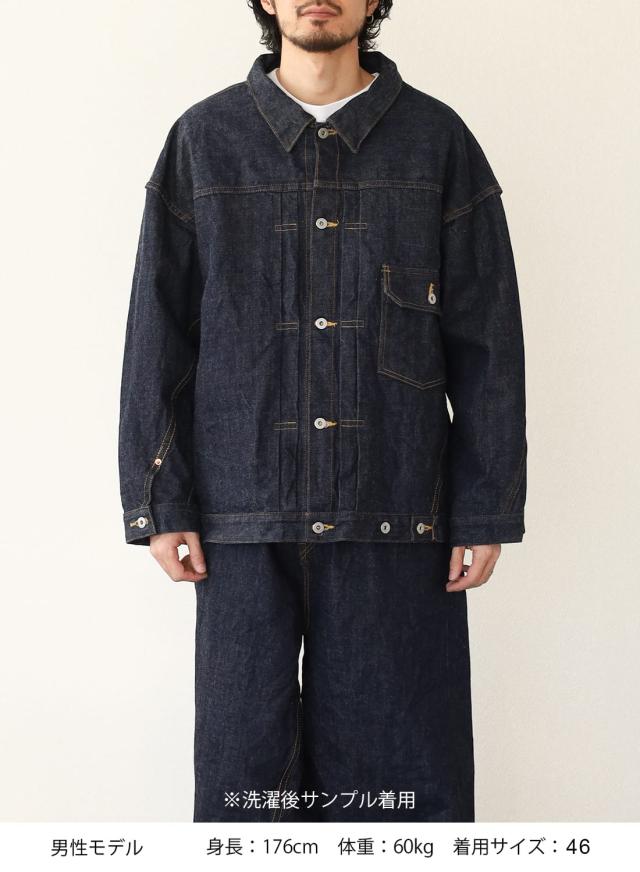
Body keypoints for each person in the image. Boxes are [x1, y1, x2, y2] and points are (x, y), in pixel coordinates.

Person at [118, 0, 527, 823]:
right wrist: (159, 501)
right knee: (245, 787)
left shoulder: (437, 142)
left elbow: (488, 341)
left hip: (397, 514)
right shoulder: (204, 141)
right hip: (241, 519)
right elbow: (158, 334)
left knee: (403, 787)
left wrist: (484, 507)